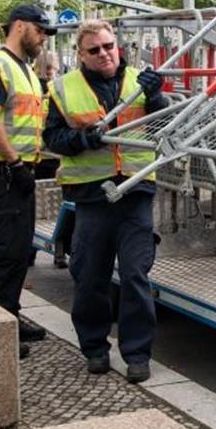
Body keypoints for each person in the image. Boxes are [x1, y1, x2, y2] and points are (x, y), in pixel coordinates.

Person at [44, 20, 167, 383]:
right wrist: (84, 139)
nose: (105, 54)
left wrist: (157, 97)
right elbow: (53, 137)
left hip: (135, 191)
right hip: (92, 196)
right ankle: (95, 348)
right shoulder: (63, 89)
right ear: (80, 54)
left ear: (119, 46)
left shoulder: (140, 84)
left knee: (135, 275)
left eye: (109, 46)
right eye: (95, 50)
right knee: (91, 278)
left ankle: (138, 354)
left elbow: (163, 129)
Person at [0, 4, 57, 359]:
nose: (42, 39)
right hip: (1, 169)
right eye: (39, 31)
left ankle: (10, 312)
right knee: (7, 249)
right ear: (20, 26)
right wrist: (15, 162)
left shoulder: (24, 69)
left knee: (19, 248)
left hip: (18, 168)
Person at [32, 49, 70, 268]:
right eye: (46, 69)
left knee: (62, 207)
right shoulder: (34, 86)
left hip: (55, 155)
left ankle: (60, 252)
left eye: (52, 69)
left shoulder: (59, 88)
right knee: (36, 207)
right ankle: (33, 252)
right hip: (39, 154)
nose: (49, 74)